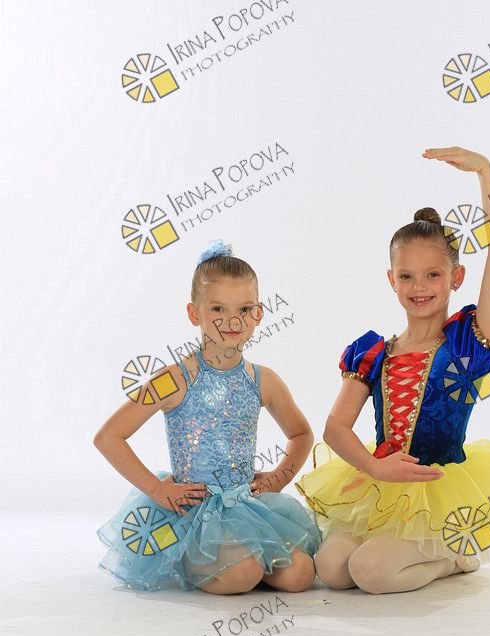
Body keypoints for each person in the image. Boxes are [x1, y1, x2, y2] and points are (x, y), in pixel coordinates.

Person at [296, 145, 490, 595]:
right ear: (391, 280)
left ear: (456, 277)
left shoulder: (467, 345)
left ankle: (453, 555)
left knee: (370, 572)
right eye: (407, 276)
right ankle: (399, 545)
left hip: (439, 487)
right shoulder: (373, 352)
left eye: (433, 275)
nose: (419, 287)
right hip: (378, 481)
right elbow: (335, 428)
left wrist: (485, 173)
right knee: (331, 570)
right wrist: (374, 468)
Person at [94, 240, 321, 594]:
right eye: (217, 308)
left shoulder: (263, 380)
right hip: (193, 513)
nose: (232, 320)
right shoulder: (175, 378)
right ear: (194, 313)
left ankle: (245, 559)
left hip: (245, 505)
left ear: (258, 314)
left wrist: (278, 477)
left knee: (301, 575)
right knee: (243, 574)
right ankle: (188, 556)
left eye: (244, 309)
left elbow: (301, 434)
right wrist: (157, 489)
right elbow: (109, 437)